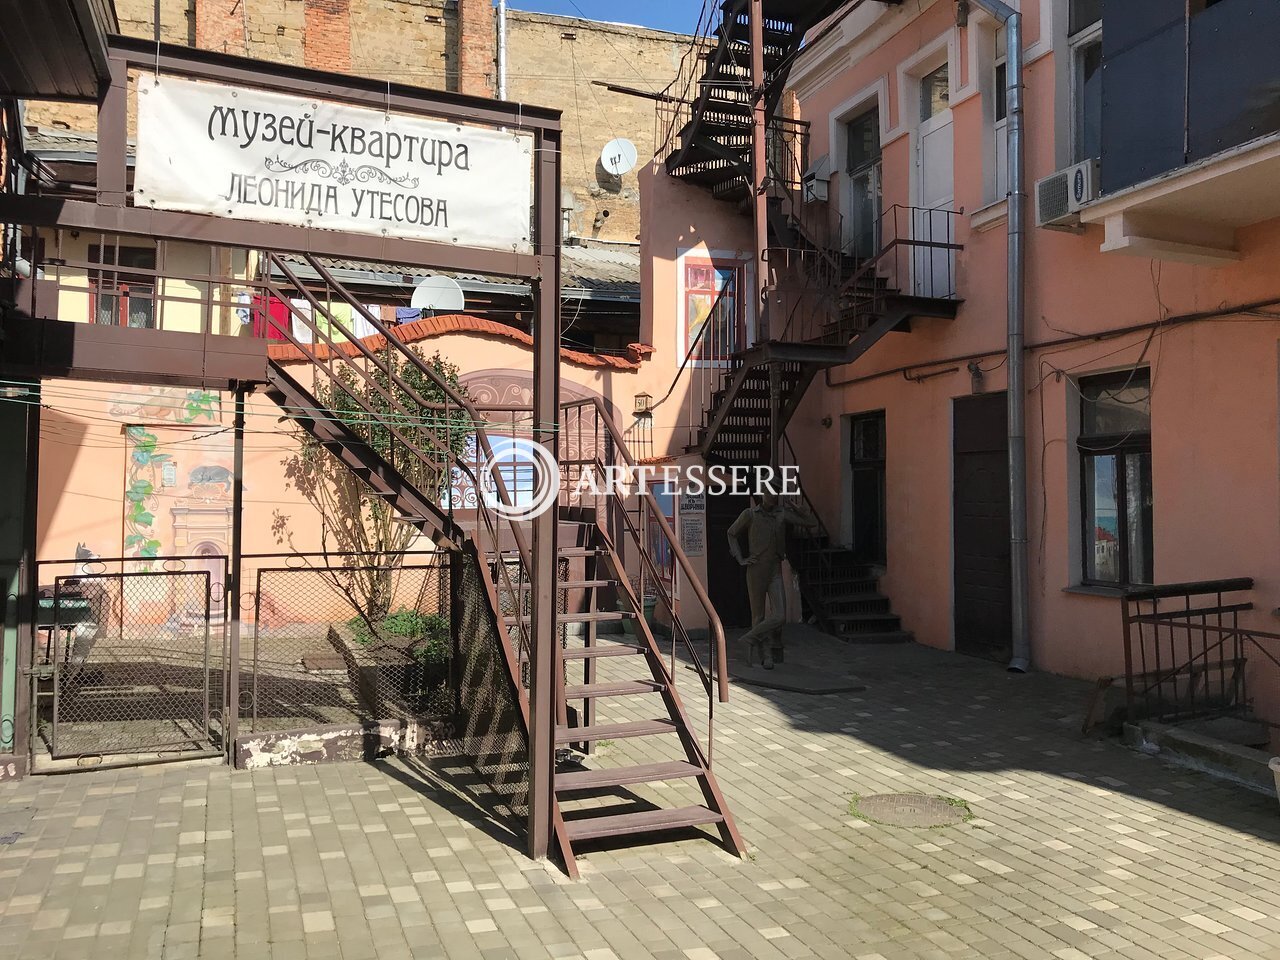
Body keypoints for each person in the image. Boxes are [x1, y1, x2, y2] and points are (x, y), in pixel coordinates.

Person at [727, 492, 817, 669]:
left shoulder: (781, 513)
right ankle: (765, 656)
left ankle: (748, 638)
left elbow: (811, 523)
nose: (773, 496)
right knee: (758, 616)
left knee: (780, 615)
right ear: (762, 493)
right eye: (769, 492)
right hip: (756, 569)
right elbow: (731, 533)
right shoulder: (750, 514)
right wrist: (740, 558)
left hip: (775, 569)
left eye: (776, 492)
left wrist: (800, 510)